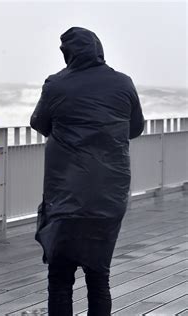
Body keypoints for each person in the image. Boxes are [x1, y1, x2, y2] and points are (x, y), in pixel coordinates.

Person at [30, 27, 144, 316]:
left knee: (59, 279)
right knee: (98, 276)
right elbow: (136, 128)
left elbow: (39, 123)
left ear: (68, 53)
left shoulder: (56, 84)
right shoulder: (123, 83)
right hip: (108, 197)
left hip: (65, 198)